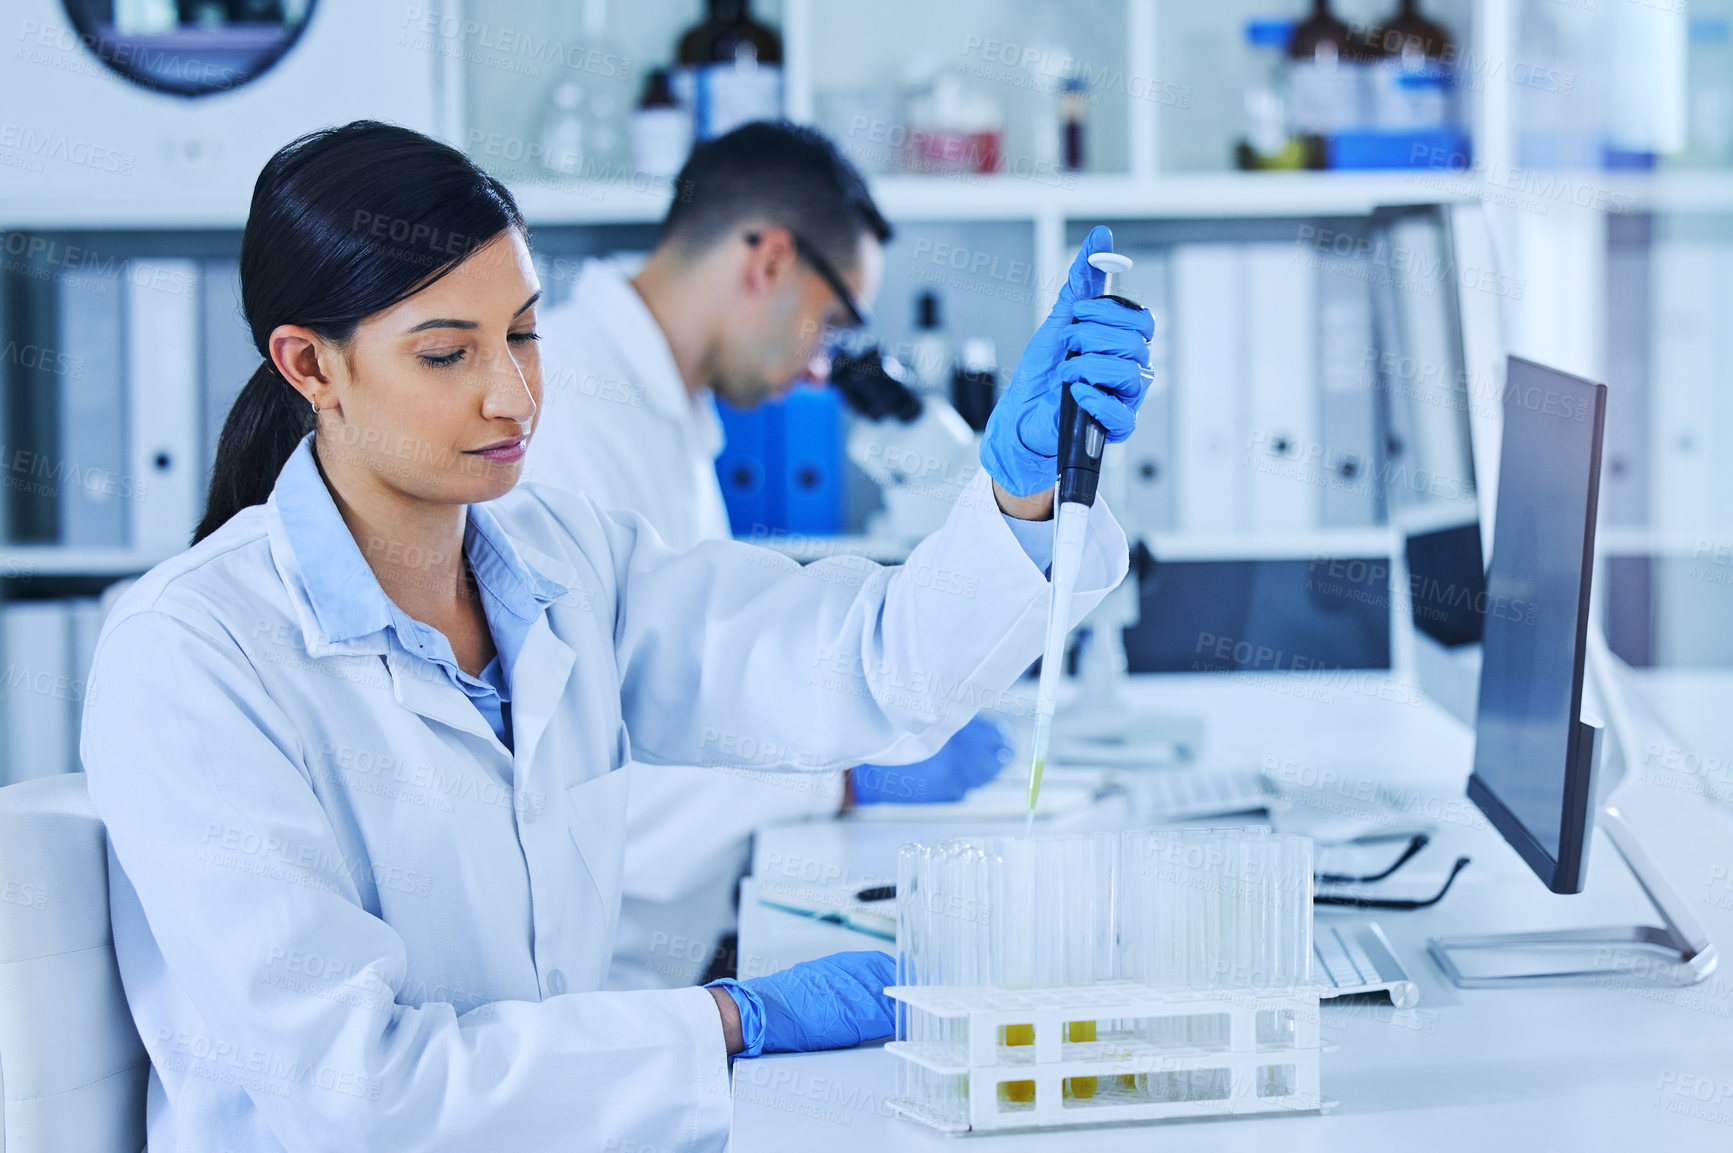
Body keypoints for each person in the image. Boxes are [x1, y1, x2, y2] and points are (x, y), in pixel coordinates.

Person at [80, 121, 1152, 1152]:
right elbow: (366, 1091)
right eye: (448, 353)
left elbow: (857, 664)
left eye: (524, 333)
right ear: (310, 367)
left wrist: (1016, 497)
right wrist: (728, 1023)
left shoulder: (560, 558)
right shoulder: (191, 656)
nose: (513, 393)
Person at [522, 121, 1009, 990]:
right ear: (772, 262)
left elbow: (708, 681)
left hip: (667, 952)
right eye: (832, 322)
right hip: (591, 991)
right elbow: (577, 769)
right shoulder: (561, 413)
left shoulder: (664, 418)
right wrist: (845, 781)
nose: (823, 370)